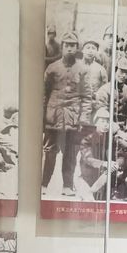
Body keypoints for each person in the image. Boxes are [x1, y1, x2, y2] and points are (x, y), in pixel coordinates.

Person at [41, 31, 91, 197]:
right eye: (67, 45)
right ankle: (43, 184)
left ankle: (67, 186)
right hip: (53, 115)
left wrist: (83, 119)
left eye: (73, 46)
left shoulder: (82, 69)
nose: (70, 49)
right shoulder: (52, 68)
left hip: (73, 117)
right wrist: (42, 117)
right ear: (62, 47)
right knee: (49, 151)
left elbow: (86, 97)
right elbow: (43, 94)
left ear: (77, 48)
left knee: (70, 152)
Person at [94, 56, 127, 132]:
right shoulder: (104, 90)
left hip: (124, 129)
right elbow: (102, 115)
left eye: (126, 73)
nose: (124, 75)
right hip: (108, 129)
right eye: (121, 72)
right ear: (115, 71)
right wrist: (118, 131)